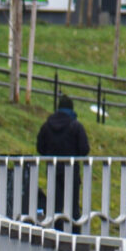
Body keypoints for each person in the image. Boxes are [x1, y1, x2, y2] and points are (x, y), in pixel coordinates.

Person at [35, 94, 91, 230]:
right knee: (72, 205)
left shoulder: (47, 126)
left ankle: (55, 230)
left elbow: (40, 147)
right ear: (71, 109)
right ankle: (73, 233)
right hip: (71, 171)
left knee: (55, 203)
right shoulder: (76, 126)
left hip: (52, 170)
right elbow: (84, 149)